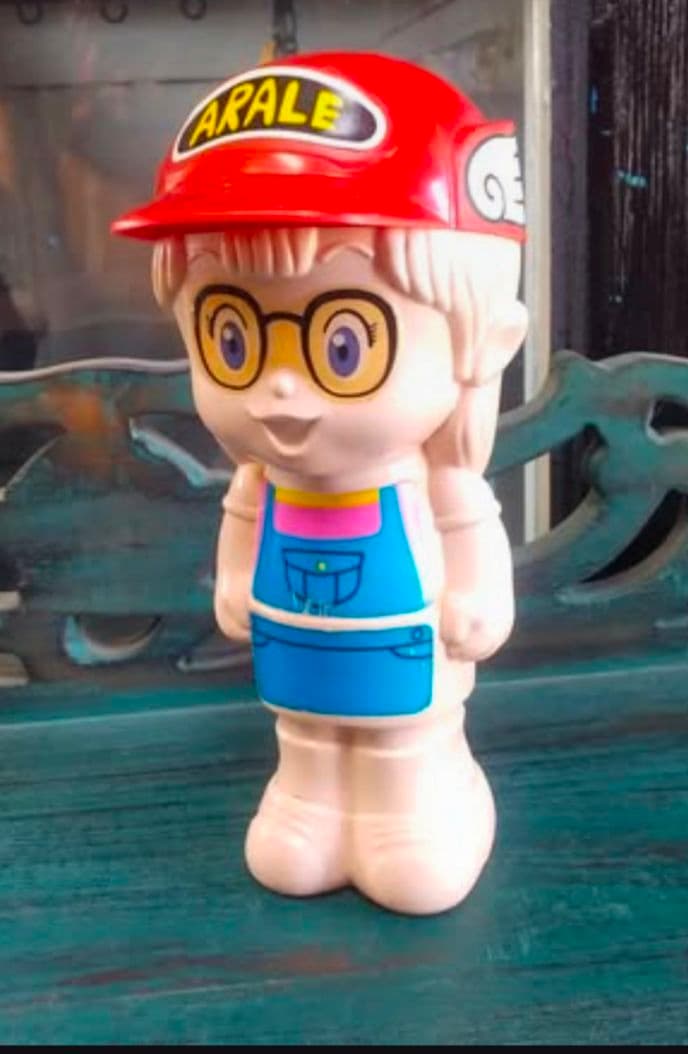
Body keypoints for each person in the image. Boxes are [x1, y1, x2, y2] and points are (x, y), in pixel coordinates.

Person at [113, 51, 528, 915]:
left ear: (479, 345)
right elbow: (242, 522)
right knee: (303, 729)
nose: (279, 393)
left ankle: (418, 809)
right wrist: (234, 579)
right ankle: (309, 801)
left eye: (345, 343)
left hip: (400, 647)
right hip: (297, 646)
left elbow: (468, 533)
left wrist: (480, 600)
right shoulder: (262, 481)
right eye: (232, 340)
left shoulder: (436, 485)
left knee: (401, 735)